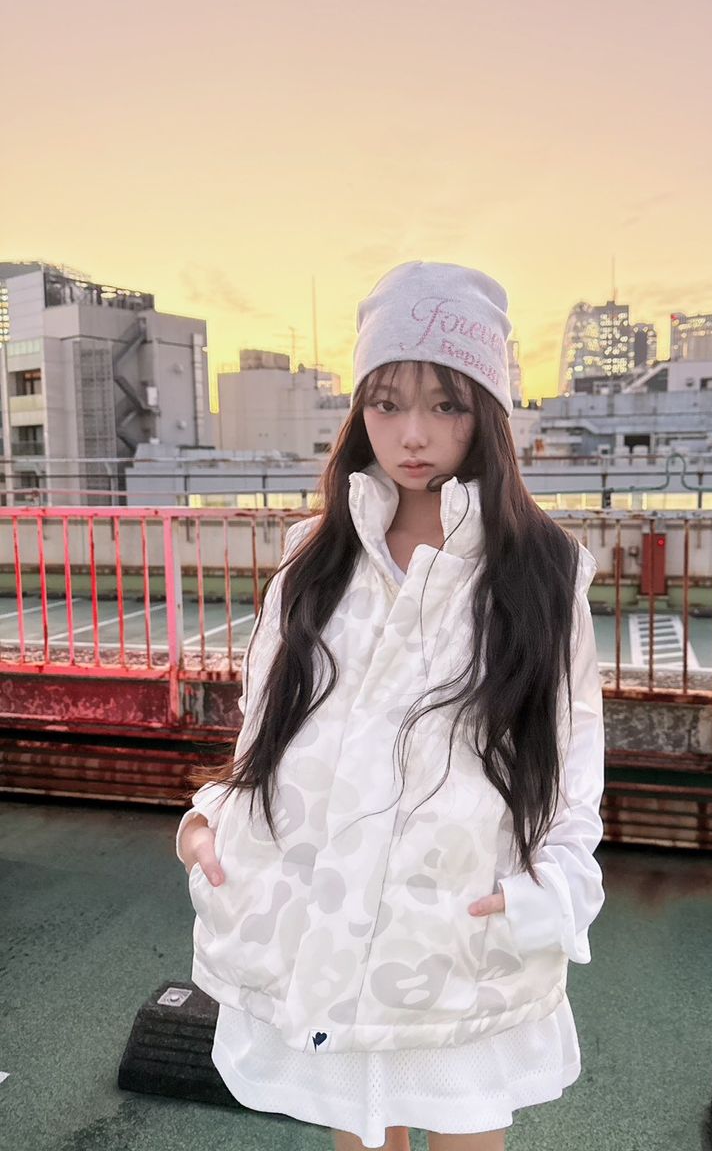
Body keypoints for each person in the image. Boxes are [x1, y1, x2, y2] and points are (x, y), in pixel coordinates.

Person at [174, 260, 606, 1151]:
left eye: (447, 405)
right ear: (359, 410)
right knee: (360, 1134)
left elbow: (571, 753)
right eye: (387, 402)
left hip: (462, 922)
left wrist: (551, 885)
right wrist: (210, 818)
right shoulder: (314, 559)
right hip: (323, 912)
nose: (413, 434)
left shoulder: (540, 569)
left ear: (489, 411)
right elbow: (266, 728)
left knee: (464, 1128)